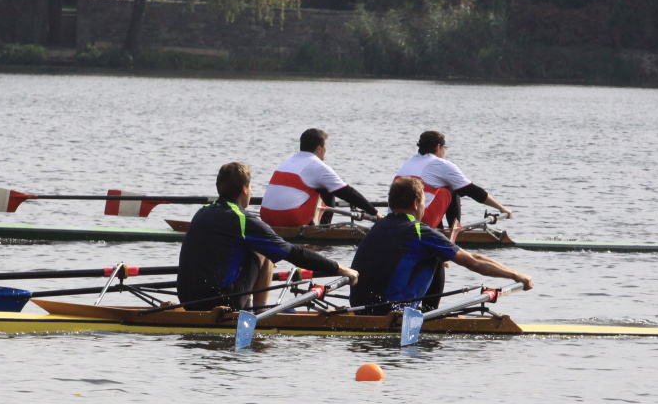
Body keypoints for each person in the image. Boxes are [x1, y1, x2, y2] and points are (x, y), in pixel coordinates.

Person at [178, 162, 359, 311]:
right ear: (244, 189)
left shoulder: (201, 212)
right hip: (220, 301)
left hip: (186, 299)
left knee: (253, 247)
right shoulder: (243, 220)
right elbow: (293, 253)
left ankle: (249, 307)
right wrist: (339, 268)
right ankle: (259, 312)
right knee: (264, 249)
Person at [351, 177, 533, 314]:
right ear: (416, 204)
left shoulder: (377, 226)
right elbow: (473, 261)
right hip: (392, 309)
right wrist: (517, 275)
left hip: (358, 306)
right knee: (436, 253)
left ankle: (417, 312)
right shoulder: (419, 231)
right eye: (424, 202)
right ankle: (430, 314)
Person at [394, 130, 512, 236]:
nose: (444, 151)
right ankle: (455, 232)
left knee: (433, 191)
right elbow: (472, 190)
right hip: (419, 220)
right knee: (453, 188)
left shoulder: (410, 161)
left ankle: (438, 230)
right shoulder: (440, 164)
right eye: (444, 147)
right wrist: (501, 208)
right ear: (438, 147)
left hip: (396, 219)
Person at [260, 128, 377, 228]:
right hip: (290, 218)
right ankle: (324, 229)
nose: (326, 150)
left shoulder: (288, 161)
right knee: (329, 189)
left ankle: (318, 226)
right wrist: (374, 212)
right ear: (319, 149)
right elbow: (347, 192)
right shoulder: (317, 166)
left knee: (316, 187)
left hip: (265, 217)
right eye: (325, 146)